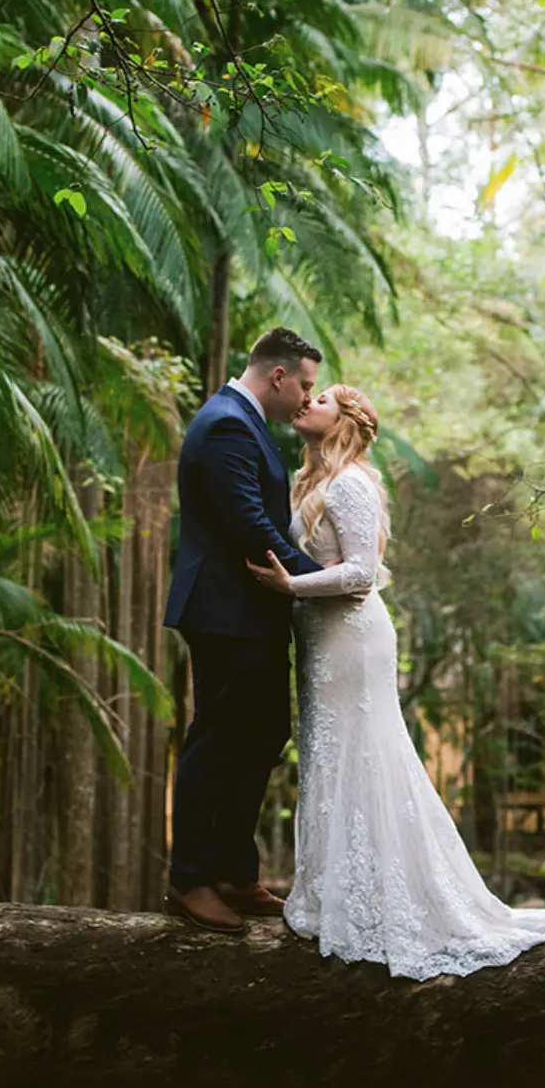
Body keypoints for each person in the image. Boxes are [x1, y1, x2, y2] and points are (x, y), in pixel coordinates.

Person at [248, 383, 545, 977]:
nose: (307, 402)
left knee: (364, 752)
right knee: (329, 754)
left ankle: (389, 901)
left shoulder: (351, 481)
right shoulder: (305, 482)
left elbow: (361, 573)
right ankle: (337, 892)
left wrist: (292, 587)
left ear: (346, 421)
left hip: (352, 635)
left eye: (322, 398)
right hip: (319, 637)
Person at [163, 327, 324, 931]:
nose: (305, 401)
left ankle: (234, 872)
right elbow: (250, 525)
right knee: (219, 740)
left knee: (261, 736)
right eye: (303, 386)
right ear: (277, 376)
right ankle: (189, 879)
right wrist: (326, 581)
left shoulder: (244, 419)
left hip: (252, 613)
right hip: (225, 613)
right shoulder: (228, 422)